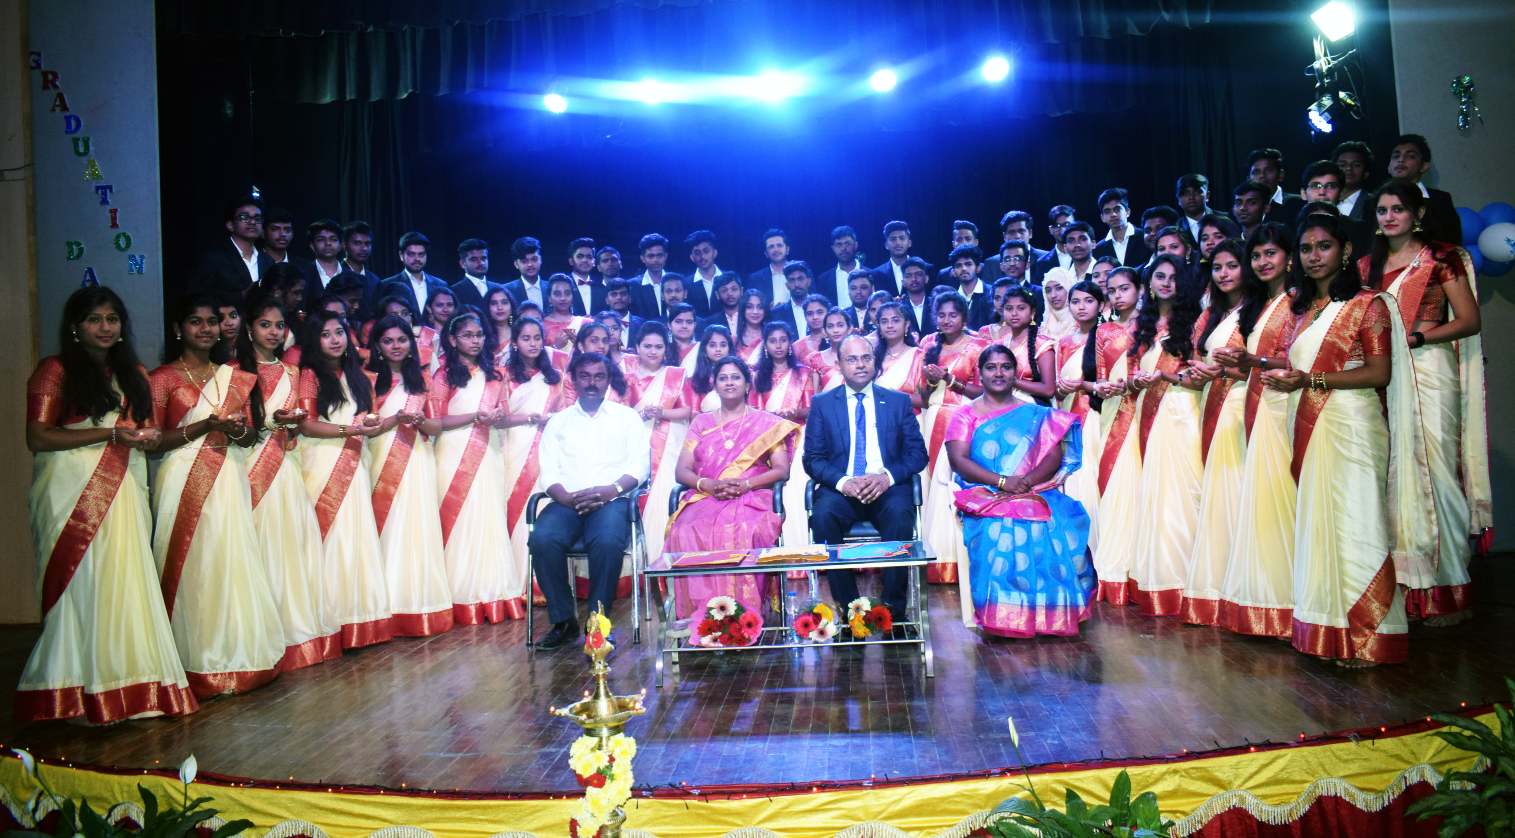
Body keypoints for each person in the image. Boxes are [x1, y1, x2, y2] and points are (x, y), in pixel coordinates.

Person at [16, 287, 195, 724]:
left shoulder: (133, 373)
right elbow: (38, 436)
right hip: (70, 488)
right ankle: (72, 692)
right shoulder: (55, 370)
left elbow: (149, 433)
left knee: (125, 577)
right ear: (75, 327)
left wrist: (147, 437)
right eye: (94, 319)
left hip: (125, 485)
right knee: (82, 583)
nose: (104, 327)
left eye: (112, 319)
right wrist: (109, 434)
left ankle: (130, 686)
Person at [1265, 214, 1432, 666]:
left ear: (1345, 251)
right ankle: (1329, 632)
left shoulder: (1368, 304)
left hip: (1353, 425)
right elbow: (1294, 364)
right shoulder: (1302, 309)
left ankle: (1370, 637)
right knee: (1320, 525)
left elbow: (1379, 373)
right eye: (1305, 248)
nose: (1313, 256)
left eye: (1324, 246)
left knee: (1358, 523)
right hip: (1310, 421)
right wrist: (1264, 368)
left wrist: (1310, 380)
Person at [1363, 181, 1487, 624]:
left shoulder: (1441, 259)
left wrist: (1416, 338)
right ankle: (1404, 590)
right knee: (1393, 477)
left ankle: (1446, 588)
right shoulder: (1366, 266)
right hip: (1384, 375)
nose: (1389, 217)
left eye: (1398, 209)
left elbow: (1469, 320)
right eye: (1382, 210)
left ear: (1417, 214)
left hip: (1429, 368)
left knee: (1436, 475)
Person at [151, 296, 285, 697]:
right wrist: (205, 425)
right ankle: (188, 659)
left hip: (227, 473)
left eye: (212, 321)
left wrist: (235, 429)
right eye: (196, 321)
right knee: (190, 561)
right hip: (181, 474)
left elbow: (248, 435)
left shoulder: (235, 376)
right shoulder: (162, 378)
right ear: (178, 329)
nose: (206, 328)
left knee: (228, 558)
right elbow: (154, 441)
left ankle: (234, 655)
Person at [946, 344, 1094, 636]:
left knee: (1055, 522)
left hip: (1033, 488)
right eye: (991, 367)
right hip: (985, 493)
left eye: (1006, 367)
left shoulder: (1036, 413)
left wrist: (1025, 482)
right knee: (998, 527)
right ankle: (1003, 615)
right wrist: (1003, 482)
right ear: (980, 374)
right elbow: (959, 461)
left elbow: (1052, 456)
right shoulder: (965, 415)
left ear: (1016, 372)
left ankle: (1051, 614)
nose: (999, 373)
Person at [235, 296, 340, 671]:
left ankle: (295, 630)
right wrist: (269, 423)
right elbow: (234, 424)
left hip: (285, 465)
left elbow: (301, 425)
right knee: (257, 542)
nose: (274, 332)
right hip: (247, 464)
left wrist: (290, 425)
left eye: (279, 326)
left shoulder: (295, 373)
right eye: (265, 325)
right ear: (249, 328)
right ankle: (260, 632)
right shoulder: (232, 371)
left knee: (289, 543)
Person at [1211, 223, 1301, 638]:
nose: (1263, 262)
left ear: (1289, 257)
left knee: (1281, 498)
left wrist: (1252, 362)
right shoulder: (1262, 304)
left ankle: (1289, 603)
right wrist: (1236, 365)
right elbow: (1258, 361)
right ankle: (1268, 602)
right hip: (1258, 402)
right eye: (1257, 256)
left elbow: (1299, 358)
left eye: (1271, 254)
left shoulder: (1297, 301)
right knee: (1264, 500)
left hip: (1283, 404)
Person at [530, 352, 652, 649]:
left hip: (612, 500)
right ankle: (564, 622)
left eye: (599, 376)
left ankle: (599, 623)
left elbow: (640, 467)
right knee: (542, 539)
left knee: (607, 542)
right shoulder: (558, 422)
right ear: (573, 379)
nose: (592, 383)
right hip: (566, 502)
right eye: (585, 376)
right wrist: (567, 498)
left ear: (608, 380)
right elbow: (549, 471)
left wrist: (610, 491)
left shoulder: (627, 418)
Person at [803, 334, 929, 619]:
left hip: (886, 488)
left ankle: (893, 613)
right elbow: (812, 459)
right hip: (842, 489)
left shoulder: (897, 402)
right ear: (839, 365)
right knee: (823, 515)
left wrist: (886, 477)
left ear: (875, 361)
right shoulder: (823, 404)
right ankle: (851, 610)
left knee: (900, 515)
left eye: (866, 358)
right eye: (852, 359)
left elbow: (917, 455)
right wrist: (844, 482)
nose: (860, 365)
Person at [667, 357, 797, 630]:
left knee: (746, 528)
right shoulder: (701, 422)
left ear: (747, 384)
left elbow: (781, 470)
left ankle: (745, 616)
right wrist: (708, 485)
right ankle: (701, 616)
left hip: (752, 494)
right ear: (714, 384)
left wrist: (747, 484)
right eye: (723, 378)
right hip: (708, 495)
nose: (729, 383)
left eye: (735, 377)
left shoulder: (766, 423)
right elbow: (682, 471)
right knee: (686, 529)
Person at [295, 310, 396, 650]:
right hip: (321, 462)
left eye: (339, 332)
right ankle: (330, 621)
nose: (335, 340)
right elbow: (307, 424)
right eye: (326, 334)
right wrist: (350, 430)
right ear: (314, 340)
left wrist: (376, 424)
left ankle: (359, 620)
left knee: (355, 535)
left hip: (355, 461)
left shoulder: (359, 376)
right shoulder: (309, 375)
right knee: (330, 536)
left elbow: (371, 423)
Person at [1178, 239, 1260, 626]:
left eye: (1232, 265)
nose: (1224, 274)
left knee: (1237, 489)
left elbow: (1266, 362)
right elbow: (1198, 360)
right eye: (1217, 267)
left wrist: (1223, 371)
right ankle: (1219, 586)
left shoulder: (1260, 310)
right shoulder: (1212, 314)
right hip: (1212, 402)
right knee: (1219, 491)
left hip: (1243, 404)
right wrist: (1195, 372)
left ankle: (1244, 587)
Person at [1122, 256, 1204, 616]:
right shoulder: (1143, 325)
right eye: (1160, 276)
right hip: (1148, 410)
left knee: (1181, 491)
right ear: (1150, 283)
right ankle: (1159, 580)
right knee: (1155, 492)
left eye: (1174, 277)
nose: (1166, 282)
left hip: (1181, 411)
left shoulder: (1195, 322)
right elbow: (1131, 375)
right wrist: (1136, 381)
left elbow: (1199, 375)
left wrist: (1165, 377)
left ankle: (1186, 580)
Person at [363, 316, 454, 636]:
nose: (396, 346)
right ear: (377, 346)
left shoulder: (423, 380)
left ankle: (420, 604)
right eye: (388, 341)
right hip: (380, 457)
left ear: (411, 344)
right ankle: (386, 607)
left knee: (416, 527)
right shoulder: (368, 380)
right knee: (387, 526)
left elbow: (436, 426)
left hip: (416, 458)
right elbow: (366, 426)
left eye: (401, 340)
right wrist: (394, 420)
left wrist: (417, 421)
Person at [430, 311, 522, 624]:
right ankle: (460, 595)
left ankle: (494, 593)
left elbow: (505, 415)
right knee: (459, 519)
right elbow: (435, 421)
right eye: (468, 335)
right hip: (453, 451)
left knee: (488, 518)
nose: (475, 340)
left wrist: (496, 417)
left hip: (489, 451)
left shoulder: (496, 373)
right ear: (452, 339)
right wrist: (474, 417)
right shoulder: (443, 375)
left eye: (479, 335)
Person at [917, 293, 988, 582]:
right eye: (941, 315)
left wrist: (949, 380)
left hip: (964, 418)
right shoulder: (928, 345)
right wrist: (931, 381)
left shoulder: (979, 346)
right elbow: (923, 397)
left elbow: (983, 391)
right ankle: (939, 557)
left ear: (964, 317)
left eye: (953, 315)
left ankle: (961, 558)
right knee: (933, 483)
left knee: (956, 482)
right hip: (933, 417)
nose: (946, 320)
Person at [503, 316, 573, 579]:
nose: (533, 344)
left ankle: (545, 580)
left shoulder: (554, 375)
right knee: (516, 506)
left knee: (545, 506)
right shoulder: (503, 375)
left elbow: (566, 412)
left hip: (547, 447)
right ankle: (519, 578)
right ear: (514, 342)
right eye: (526, 338)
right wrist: (530, 418)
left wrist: (550, 420)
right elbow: (499, 417)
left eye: (537, 338)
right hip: (514, 446)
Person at [1089, 268, 1143, 602]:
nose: (1118, 295)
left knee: (1137, 483)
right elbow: (1099, 376)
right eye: (1112, 291)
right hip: (1111, 410)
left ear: (1140, 290)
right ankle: (1113, 570)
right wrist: (1102, 387)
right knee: (1111, 484)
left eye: (1125, 288)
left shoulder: (1150, 326)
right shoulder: (1103, 331)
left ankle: (1137, 566)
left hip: (1142, 408)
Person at [625, 321, 694, 563]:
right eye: (647, 346)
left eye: (658, 347)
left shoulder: (676, 375)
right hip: (633, 443)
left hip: (669, 445)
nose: (653, 351)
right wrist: (639, 415)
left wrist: (661, 413)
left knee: (662, 497)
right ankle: (635, 566)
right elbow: (616, 410)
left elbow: (687, 410)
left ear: (666, 349)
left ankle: (661, 559)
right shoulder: (626, 376)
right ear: (637, 347)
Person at [751, 320, 819, 547]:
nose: (778, 345)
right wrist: (772, 417)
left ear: (790, 343)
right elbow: (752, 412)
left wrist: (794, 413)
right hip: (766, 441)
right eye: (773, 341)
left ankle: (799, 546)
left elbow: (812, 410)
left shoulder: (804, 373)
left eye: (783, 340)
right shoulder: (756, 377)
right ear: (765, 346)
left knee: (795, 490)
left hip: (799, 438)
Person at [1053, 280, 1107, 551]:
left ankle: (1098, 545)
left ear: (1101, 305)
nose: (1081, 307)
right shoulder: (1063, 343)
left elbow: (1113, 382)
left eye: (1088, 301)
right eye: (1075, 301)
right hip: (1067, 417)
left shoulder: (1107, 337)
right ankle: (1076, 548)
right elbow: (1056, 386)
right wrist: (1061, 389)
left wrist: (1085, 386)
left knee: (1090, 475)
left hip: (1095, 416)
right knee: (1072, 479)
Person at [1385, 133, 1462, 245]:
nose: (1401, 160)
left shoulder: (1440, 200)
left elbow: (1452, 243)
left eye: (1410, 156)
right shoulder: (1375, 201)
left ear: (1424, 166)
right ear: (1389, 167)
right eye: (1396, 156)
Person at [198, 195, 272, 298]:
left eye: (257, 218)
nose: (252, 222)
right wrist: (240, 296)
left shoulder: (268, 260)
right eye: (244, 217)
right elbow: (199, 296)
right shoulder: (214, 258)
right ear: (230, 225)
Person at [995, 286, 1057, 406]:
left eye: (1021, 308)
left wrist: (1013, 381)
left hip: (1032, 407)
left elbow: (1049, 390)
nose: (1014, 313)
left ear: (1032, 312)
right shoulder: (999, 344)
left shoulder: (1042, 345)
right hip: (1000, 404)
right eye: (1009, 308)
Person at [381, 231, 449, 317]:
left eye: (421, 254)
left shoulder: (440, 285)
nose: (417, 259)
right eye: (411, 254)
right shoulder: (388, 285)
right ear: (401, 255)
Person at [1093, 187, 1151, 268]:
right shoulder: (1099, 249)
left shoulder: (1145, 237)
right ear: (1102, 217)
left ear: (1127, 212)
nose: (1113, 214)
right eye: (1107, 211)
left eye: (1117, 209)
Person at [1247, 148, 1305, 225]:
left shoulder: (1299, 204)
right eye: (1256, 172)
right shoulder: (1242, 210)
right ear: (1248, 178)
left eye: (1268, 170)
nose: (1262, 176)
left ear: (1281, 175)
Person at [687, 324, 736, 413]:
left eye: (723, 345)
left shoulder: (740, 375)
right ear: (704, 349)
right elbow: (694, 413)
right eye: (712, 345)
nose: (718, 349)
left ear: (729, 348)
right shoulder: (696, 380)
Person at [543, 273, 594, 350]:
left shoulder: (586, 323)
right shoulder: (542, 325)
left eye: (567, 293)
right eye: (557, 294)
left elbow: (594, 353)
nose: (563, 298)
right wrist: (555, 347)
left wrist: (579, 345)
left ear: (573, 296)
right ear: (549, 298)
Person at [451, 238, 503, 312]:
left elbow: (509, 315)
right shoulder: (454, 291)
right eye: (474, 259)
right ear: (462, 263)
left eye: (483, 258)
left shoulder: (499, 288)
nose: (481, 263)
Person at [302, 219, 345, 304]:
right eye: (321, 239)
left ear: (341, 245)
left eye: (333, 239)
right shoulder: (303, 275)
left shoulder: (352, 275)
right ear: (312, 246)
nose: (328, 243)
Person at [683, 230, 726, 316]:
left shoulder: (729, 280)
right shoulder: (685, 284)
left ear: (715, 253)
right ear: (692, 257)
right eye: (697, 253)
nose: (702, 256)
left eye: (706, 251)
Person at [1332, 140, 1375, 223]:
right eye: (1342, 165)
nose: (1348, 168)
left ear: (1366, 172)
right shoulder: (1322, 198)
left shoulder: (1374, 203)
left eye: (1356, 165)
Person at [748, 228, 793, 305]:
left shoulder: (801, 274)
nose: (776, 249)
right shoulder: (755, 279)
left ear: (787, 250)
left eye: (779, 245)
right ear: (766, 253)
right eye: (771, 247)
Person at [502, 236, 547, 310]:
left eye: (534, 259)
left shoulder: (551, 288)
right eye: (524, 261)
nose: (530, 264)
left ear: (541, 260)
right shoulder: (506, 291)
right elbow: (508, 316)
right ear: (516, 264)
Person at [1176, 174, 1224, 241]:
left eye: (1197, 192)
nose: (1191, 197)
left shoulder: (1225, 220)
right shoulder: (1175, 228)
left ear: (1207, 196)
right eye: (1185, 193)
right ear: (1178, 199)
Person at [868, 220, 910, 296]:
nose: (898, 243)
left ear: (909, 243)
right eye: (893, 239)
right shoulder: (876, 274)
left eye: (902, 238)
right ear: (886, 245)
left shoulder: (925, 269)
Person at [1038, 268, 1078, 340]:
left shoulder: (1081, 323)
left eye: (1059, 288)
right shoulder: (1043, 327)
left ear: (1069, 288)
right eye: (1048, 290)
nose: (1053, 295)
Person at [734, 288, 769, 365]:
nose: (755, 312)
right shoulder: (734, 340)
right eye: (749, 307)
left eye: (760, 307)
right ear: (743, 310)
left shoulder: (770, 337)